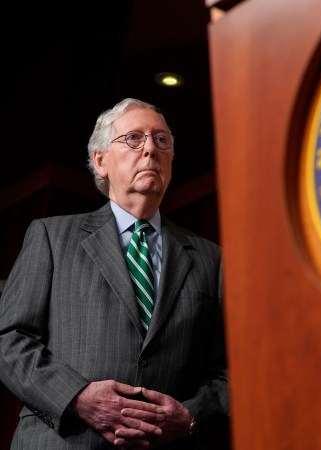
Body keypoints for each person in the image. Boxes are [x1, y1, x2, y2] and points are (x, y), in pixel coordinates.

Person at [0, 98, 230, 449]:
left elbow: (228, 370)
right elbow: (9, 339)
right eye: (134, 138)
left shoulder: (211, 258)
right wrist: (77, 397)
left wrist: (191, 416)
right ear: (101, 160)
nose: (150, 149)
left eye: (162, 140)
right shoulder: (50, 237)